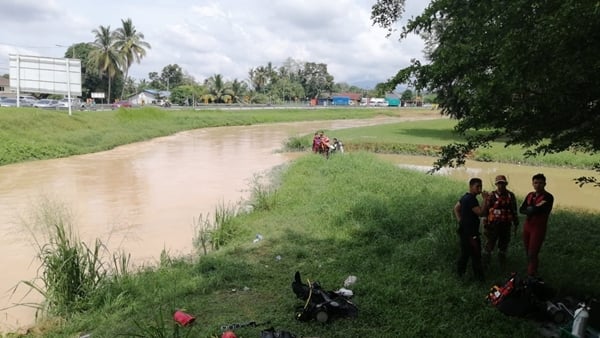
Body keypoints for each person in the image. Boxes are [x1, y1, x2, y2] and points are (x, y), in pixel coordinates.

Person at [453, 178, 489, 281]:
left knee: (465, 253)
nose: (480, 189)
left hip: (464, 230)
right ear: (471, 186)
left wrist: (460, 221)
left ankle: (460, 274)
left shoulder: (465, 197)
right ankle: (479, 279)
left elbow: (456, 208)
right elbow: (481, 213)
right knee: (476, 254)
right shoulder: (471, 199)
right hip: (470, 233)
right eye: (477, 186)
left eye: (480, 186)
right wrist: (485, 199)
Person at [519, 173, 554, 277]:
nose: (538, 185)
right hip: (528, 226)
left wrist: (530, 209)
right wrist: (530, 210)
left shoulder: (548, 197)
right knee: (527, 251)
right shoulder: (530, 195)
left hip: (538, 227)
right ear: (532, 184)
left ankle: (532, 274)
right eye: (536, 182)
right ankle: (531, 271)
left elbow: (539, 209)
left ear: (545, 184)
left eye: (540, 183)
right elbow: (522, 209)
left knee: (533, 253)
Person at [482, 175, 519, 269]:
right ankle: (486, 265)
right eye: (499, 183)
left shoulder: (511, 195)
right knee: (489, 245)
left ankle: (502, 265)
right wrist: (485, 225)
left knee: (503, 245)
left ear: (506, 184)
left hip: (506, 225)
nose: (501, 185)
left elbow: (514, 210)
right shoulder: (491, 196)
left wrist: (515, 223)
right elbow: (486, 211)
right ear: (496, 184)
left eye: (503, 183)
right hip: (493, 225)